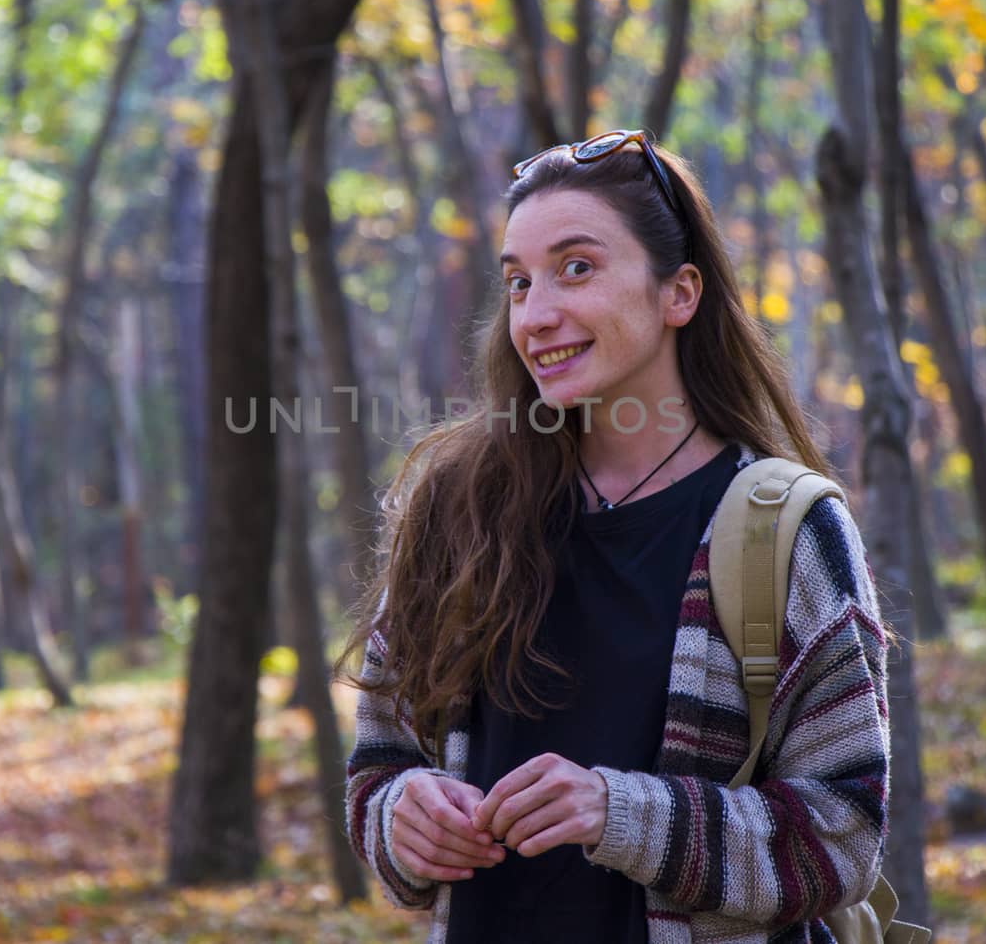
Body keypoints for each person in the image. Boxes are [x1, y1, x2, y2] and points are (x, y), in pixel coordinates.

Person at [343, 129, 890, 944]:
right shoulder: (454, 513)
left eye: (577, 267)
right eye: (519, 282)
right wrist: (400, 818)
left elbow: (843, 835)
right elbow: (378, 768)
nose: (537, 313)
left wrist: (620, 812)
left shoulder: (784, 529)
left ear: (680, 293)